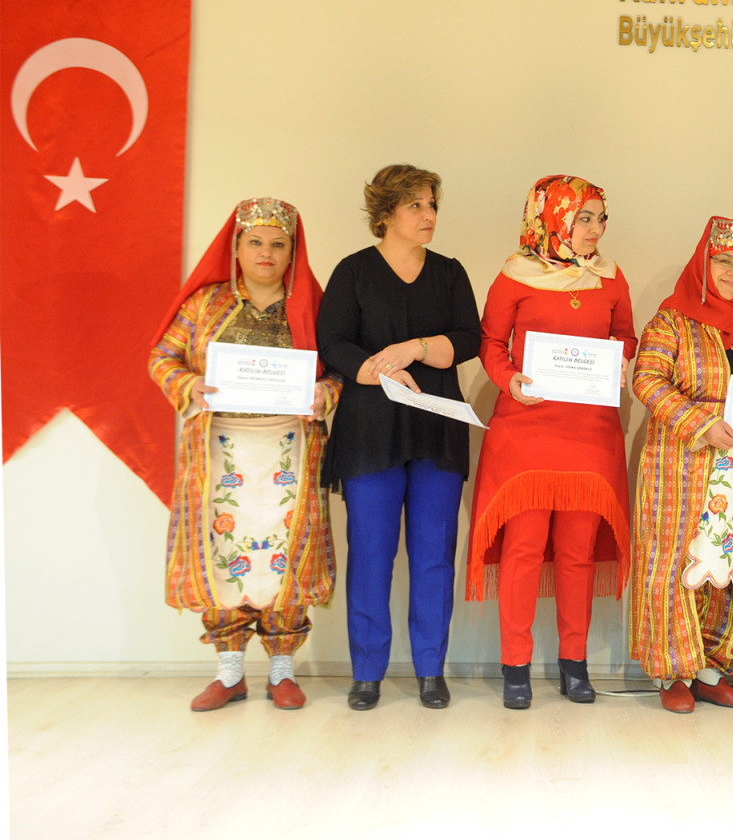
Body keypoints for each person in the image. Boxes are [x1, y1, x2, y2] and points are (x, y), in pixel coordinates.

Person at [149, 197, 341, 711]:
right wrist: (187, 384)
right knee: (223, 552)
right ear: (235, 247)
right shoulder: (204, 305)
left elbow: (340, 367)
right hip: (220, 452)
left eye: (278, 244)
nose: (266, 253)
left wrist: (326, 393)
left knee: (285, 553)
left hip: (289, 450)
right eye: (254, 242)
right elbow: (162, 356)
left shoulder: (313, 306)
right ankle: (230, 672)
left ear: (293, 252)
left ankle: (283, 671)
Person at [466, 176, 636, 709]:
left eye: (600, 218)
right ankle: (515, 666)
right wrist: (507, 378)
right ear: (552, 217)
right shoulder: (515, 275)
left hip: (590, 434)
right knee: (522, 548)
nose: (595, 229)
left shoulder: (610, 277)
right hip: (527, 431)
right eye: (583, 217)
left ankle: (574, 663)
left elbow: (626, 336)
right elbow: (491, 342)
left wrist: (620, 359)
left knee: (577, 552)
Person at [317, 164, 481, 711]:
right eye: (416, 205)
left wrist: (414, 348)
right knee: (370, 555)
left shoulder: (450, 273)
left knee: (434, 556)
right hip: (371, 433)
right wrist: (380, 370)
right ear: (385, 212)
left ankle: (431, 670)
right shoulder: (353, 271)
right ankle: (367, 673)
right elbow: (332, 342)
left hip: (437, 429)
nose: (429, 214)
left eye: (432, 204)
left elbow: (469, 338)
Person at [629, 216, 733, 713]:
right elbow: (647, 380)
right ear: (703, 263)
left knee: (728, 566)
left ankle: (710, 670)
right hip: (684, 465)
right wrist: (701, 424)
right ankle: (671, 672)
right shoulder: (671, 319)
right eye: (723, 261)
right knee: (677, 565)